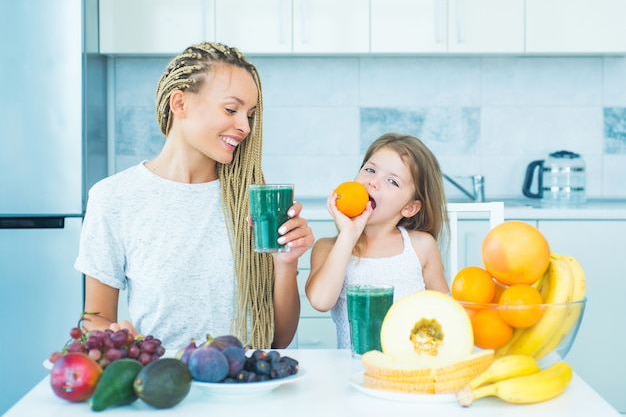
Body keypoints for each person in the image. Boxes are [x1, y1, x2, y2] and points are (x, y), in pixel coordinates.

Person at [75, 42, 314, 351]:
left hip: (245, 387)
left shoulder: (256, 205)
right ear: (180, 103)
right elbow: (94, 320)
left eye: (250, 115)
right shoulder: (114, 198)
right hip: (165, 387)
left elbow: (279, 338)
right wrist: (116, 335)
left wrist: (286, 265)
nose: (244, 126)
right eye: (231, 109)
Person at [305, 133, 450, 349]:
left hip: (409, 370)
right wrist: (348, 234)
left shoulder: (421, 246)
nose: (373, 182)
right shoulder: (329, 248)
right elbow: (320, 301)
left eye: (392, 181)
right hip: (352, 372)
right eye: (370, 170)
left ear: (410, 208)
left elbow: (445, 311)